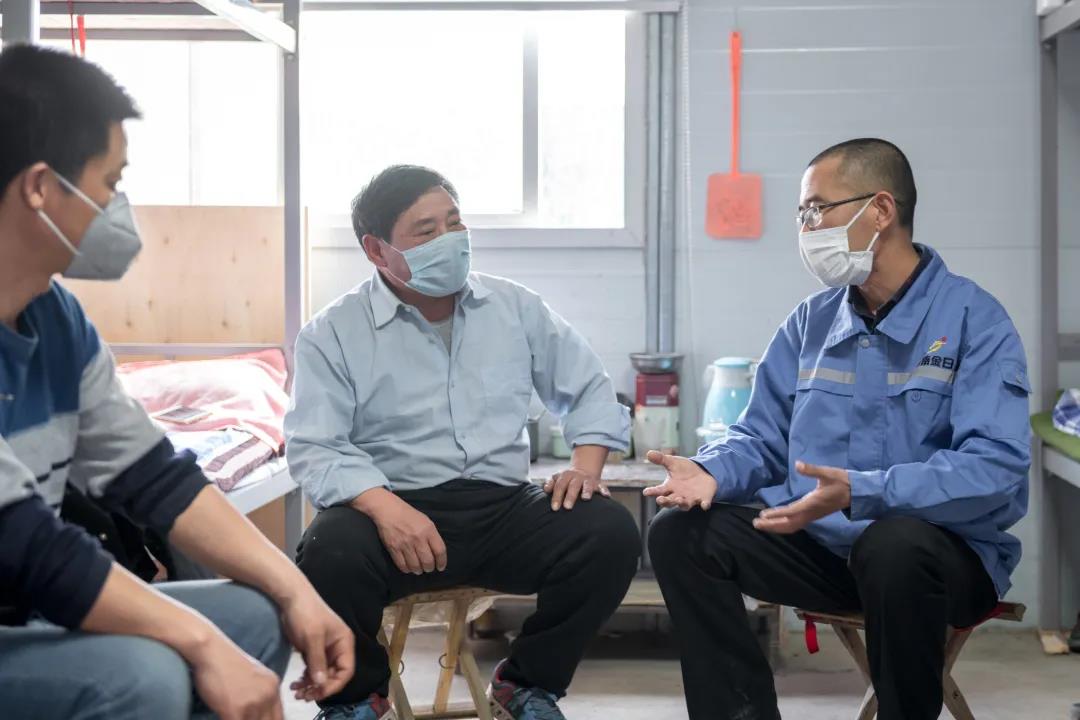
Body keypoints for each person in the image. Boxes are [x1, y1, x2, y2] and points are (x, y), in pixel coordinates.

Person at [0, 44, 355, 720]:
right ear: (40, 186)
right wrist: (198, 642)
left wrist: (296, 590)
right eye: (109, 181)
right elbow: (25, 545)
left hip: (22, 609)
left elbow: (156, 478)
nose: (116, 206)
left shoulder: (57, 320)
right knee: (145, 676)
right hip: (21, 590)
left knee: (253, 618)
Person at [645, 138, 1030, 720]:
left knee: (893, 544)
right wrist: (710, 471)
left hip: (940, 561)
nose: (806, 228)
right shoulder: (810, 322)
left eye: (816, 209)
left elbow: (994, 468)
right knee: (681, 533)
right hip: (826, 553)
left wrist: (864, 491)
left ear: (880, 210)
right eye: (802, 214)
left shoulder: (975, 320)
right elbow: (761, 437)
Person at [286, 165, 641, 720]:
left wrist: (585, 467)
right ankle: (356, 700)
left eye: (454, 223)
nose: (449, 240)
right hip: (393, 514)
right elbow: (315, 446)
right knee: (327, 550)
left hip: (502, 511)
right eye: (426, 231)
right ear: (377, 251)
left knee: (609, 531)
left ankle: (527, 685)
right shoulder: (332, 332)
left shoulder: (515, 307)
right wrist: (385, 509)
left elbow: (590, 389)